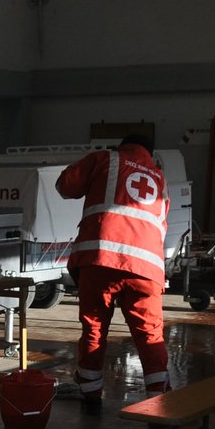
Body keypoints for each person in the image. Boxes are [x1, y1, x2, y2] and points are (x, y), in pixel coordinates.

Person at [54, 134, 172, 414]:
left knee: (94, 327)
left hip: (101, 258)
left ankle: (91, 393)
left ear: (123, 146)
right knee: (151, 334)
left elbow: (65, 185)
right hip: (146, 267)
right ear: (149, 153)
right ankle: (159, 395)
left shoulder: (106, 159)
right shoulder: (159, 178)